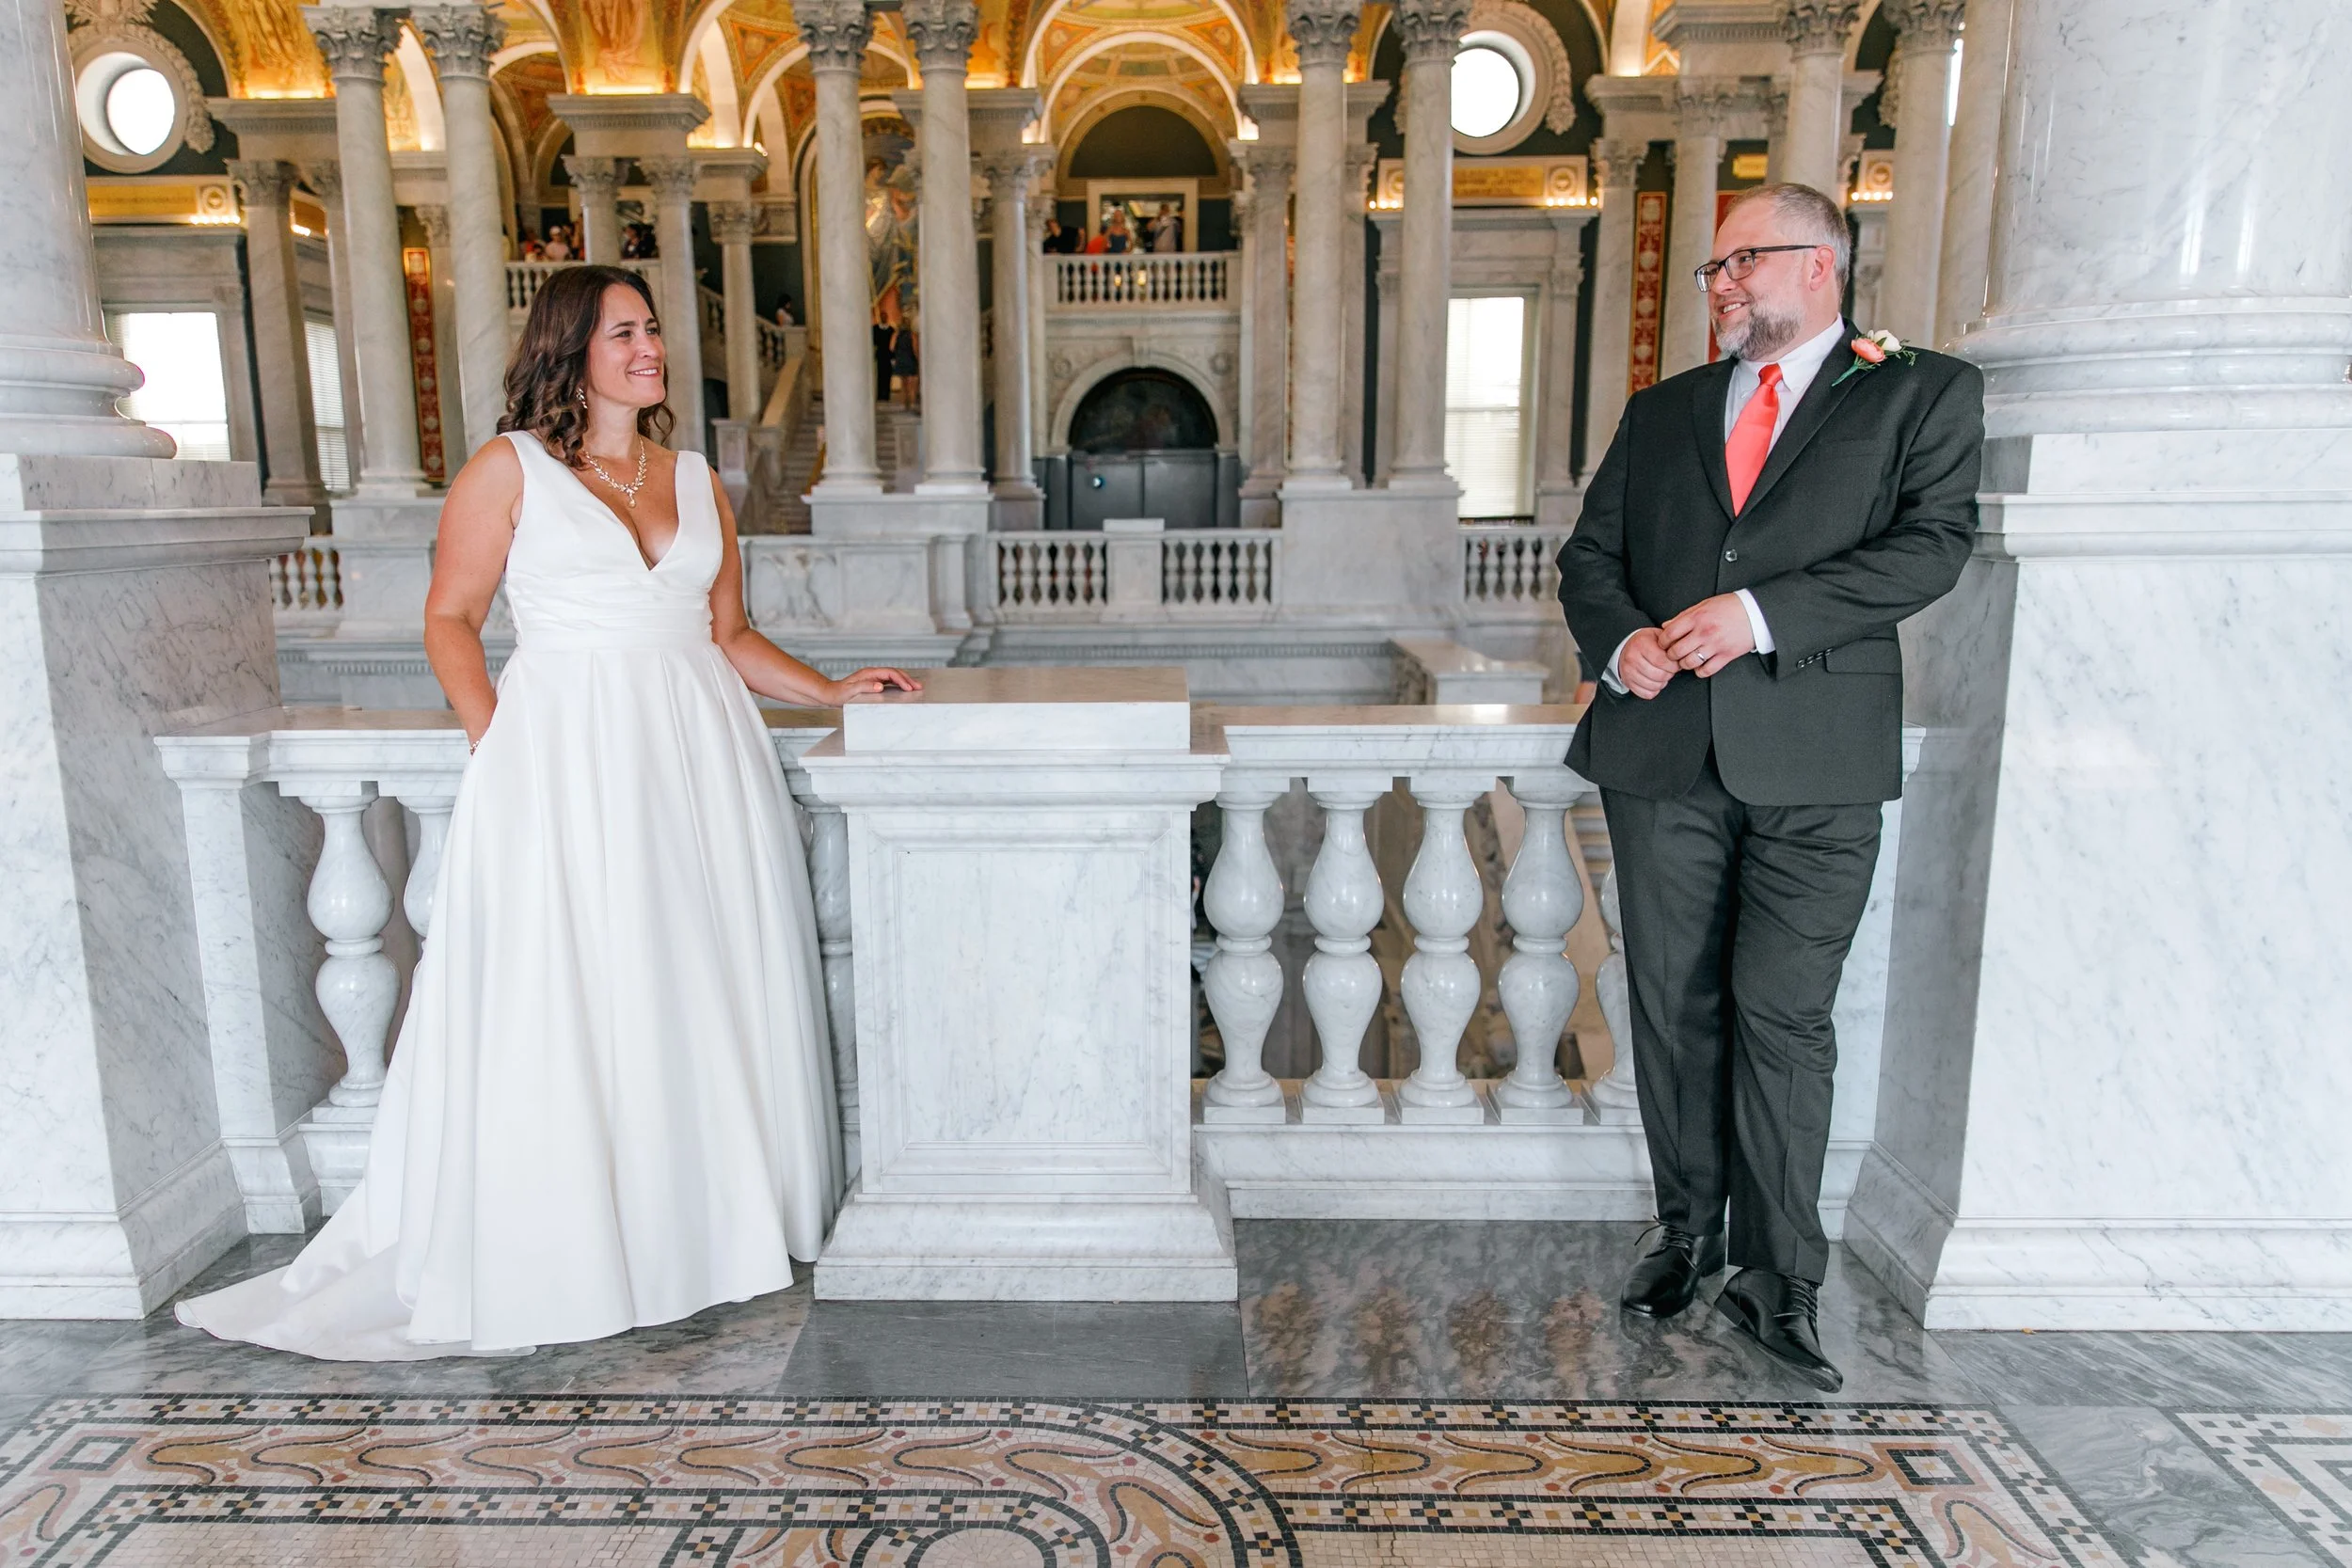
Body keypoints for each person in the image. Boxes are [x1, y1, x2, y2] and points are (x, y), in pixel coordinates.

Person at [174, 265, 920, 1360]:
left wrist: (833, 687)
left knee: (696, 978)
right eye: (625, 331)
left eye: (653, 331)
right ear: (570, 348)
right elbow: (449, 617)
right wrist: (501, 740)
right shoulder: (507, 468)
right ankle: (585, 1239)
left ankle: (705, 1230)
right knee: (582, 986)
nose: (650, 348)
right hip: (565, 758)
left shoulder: (698, 476)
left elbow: (729, 633)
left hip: (705, 761)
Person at [1557, 183, 1979, 1391]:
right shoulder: (1664, 411)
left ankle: (1778, 1273)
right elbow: (1590, 556)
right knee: (1673, 1007)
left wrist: (1752, 616)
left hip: (1818, 761)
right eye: (1714, 268)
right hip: (1660, 756)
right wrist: (1621, 641)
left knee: (1784, 1014)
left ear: (1824, 265)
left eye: (1746, 261)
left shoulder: (1921, 392)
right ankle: (1685, 1234)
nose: (1724, 283)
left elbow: (1927, 548)